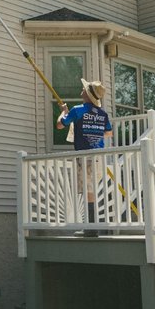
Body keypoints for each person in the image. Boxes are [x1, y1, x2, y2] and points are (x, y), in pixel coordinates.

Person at [56, 78, 112, 234]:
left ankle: (91, 229)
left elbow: (60, 125)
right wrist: (93, 131)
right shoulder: (102, 114)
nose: (81, 90)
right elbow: (108, 132)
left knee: (88, 192)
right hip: (99, 156)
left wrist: (63, 112)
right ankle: (93, 227)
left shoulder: (77, 110)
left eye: (84, 89)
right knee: (91, 190)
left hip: (85, 156)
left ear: (87, 94)